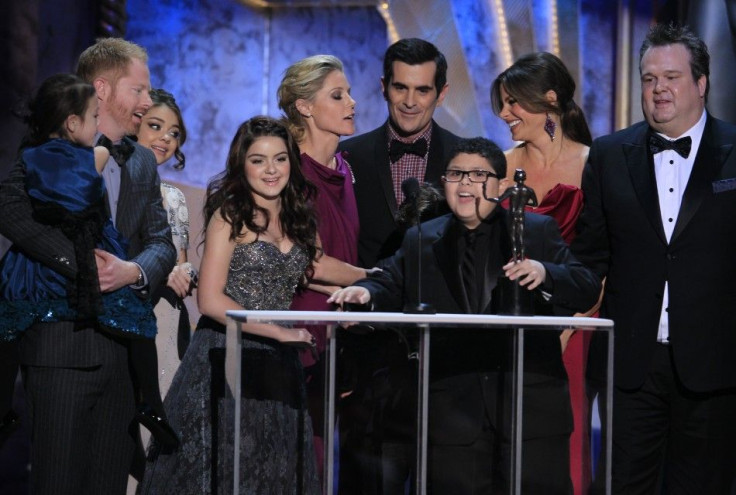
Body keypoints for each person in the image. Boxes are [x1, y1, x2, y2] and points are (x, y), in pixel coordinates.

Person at [329, 137, 601, 494]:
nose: (466, 183)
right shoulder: (422, 238)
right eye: (456, 174)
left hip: (529, 415)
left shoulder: (536, 232)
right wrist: (365, 294)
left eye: (478, 174)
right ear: (444, 182)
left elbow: (586, 285)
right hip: (452, 416)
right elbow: (390, 283)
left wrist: (545, 273)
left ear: (501, 186)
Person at [139, 116, 365, 494]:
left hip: (279, 364)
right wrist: (278, 330)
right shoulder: (230, 215)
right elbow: (210, 300)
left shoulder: (298, 216)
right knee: (227, 471)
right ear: (242, 164)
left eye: (280, 159)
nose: (271, 170)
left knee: (273, 470)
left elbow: (316, 267)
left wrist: (375, 277)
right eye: (259, 160)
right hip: (227, 355)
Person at [0, 39, 176, 494]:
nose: (147, 102)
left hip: (122, 356)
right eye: (139, 90)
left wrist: (132, 272)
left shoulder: (140, 162)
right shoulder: (52, 145)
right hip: (61, 347)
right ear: (103, 88)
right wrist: (75, 262)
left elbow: (160, 242)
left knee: (109, 483)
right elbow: (10, 210)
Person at [571, 23, 736, 494]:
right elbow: (590, 258)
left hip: (715, 367)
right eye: (648, 78)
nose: (659, 88)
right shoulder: (607, 155)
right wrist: (547, 279)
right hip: (631, 367)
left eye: (671, 77)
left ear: (701, 84)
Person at [336, 37, 462, 493]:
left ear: (441, 93)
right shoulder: (346, 156)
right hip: (368, 358)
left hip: (447, 360)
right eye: (400, 88)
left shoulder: (467, 160)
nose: (410, 101)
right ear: (383, 86)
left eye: (423, 90)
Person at [491, 51, 597, 495]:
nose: (503, 113)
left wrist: (570, 327)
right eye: (502, 103)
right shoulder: (498, 165)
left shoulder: (596, 163)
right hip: (510, 318)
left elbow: (601, 260)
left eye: (514, 102)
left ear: (549, 100)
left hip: (578, 319)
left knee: (565, 436)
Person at [277, 54, 361, 477]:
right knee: (300, 458)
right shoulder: (290, 170)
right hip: (301, 330)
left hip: (342, 331)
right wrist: (374, 282)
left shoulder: (345, 170)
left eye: (348, 93)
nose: (352, 103)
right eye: (338, 95)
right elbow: (306, 262)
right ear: (305, 106)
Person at [136, 88, 196, 400]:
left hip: (168, 316)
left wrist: (186, 274)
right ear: (135, 123)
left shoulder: (174, 198)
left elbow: (181, 261)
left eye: (174, 133)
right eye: (155, 126)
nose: (165, 139)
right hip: (127, 315)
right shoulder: (108, 182)